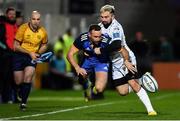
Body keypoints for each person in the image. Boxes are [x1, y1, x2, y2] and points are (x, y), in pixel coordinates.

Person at [94, 5, 157, 116]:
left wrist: (101, 50)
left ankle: (150, 110)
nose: (103, 19)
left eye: (106, 17)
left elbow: (117, 45)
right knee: (122, 92)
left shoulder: (116, 27)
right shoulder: (99, 27)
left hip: (126, 58)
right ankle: (141, 80)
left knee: (133, 84)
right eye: (102, 17)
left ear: (112, 16)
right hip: (115, 62)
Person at [13, 11, 48, 111]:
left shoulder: (43, 31)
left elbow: (45, 44)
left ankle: (23, 103)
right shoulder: (23, 28)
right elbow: (15, 46)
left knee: (28, 77)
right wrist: (30, 52)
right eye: (34, 19)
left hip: (31, 58)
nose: (36, 21)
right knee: (18, 81)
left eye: (38, 19)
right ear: (30, 19)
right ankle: (21, 90)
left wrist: (38, 53)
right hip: (19, 56)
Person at [67, 24, 109, 101]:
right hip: (88, 61)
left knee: (99, 89)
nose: (98, 39)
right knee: (81, 78)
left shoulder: (106, 40)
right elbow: (69, 55)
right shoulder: (82, 39)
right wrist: (77, 68)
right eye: (95, 37)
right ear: (89, 35)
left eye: (99, 36)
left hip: (101, 62)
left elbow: (117, 49)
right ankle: (86, 86)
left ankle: (92, 87)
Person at [0, 7, 18, 103]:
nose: (12, 15)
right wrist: (5, 49)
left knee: (12, 77)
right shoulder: (2, 25)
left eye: (13, 14)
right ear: (7, 15)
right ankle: (4, 98)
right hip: (5, 55)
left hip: (14, 55)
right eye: (10, 14)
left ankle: (11, 98)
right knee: (4, 76)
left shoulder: (16, 26)